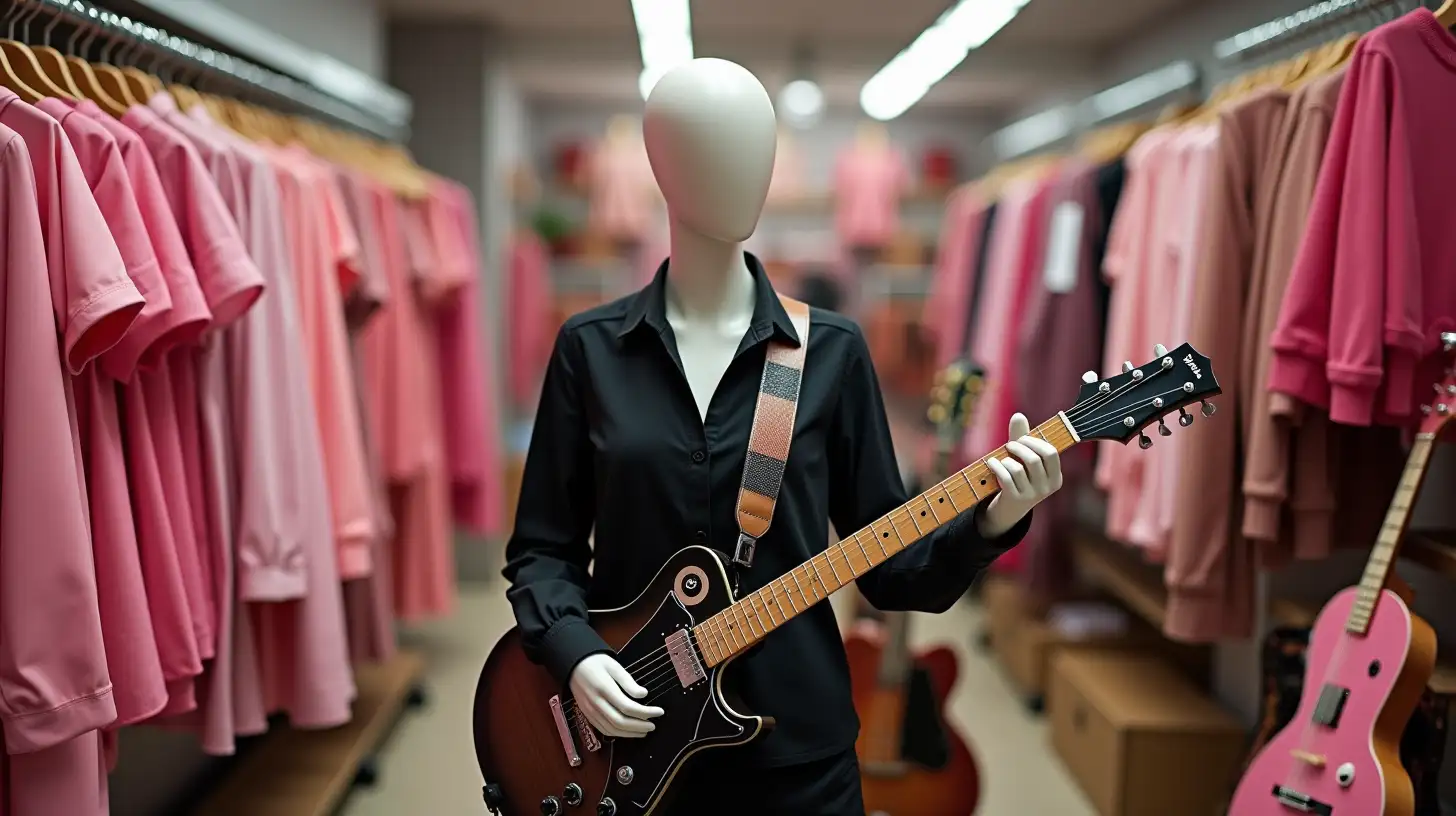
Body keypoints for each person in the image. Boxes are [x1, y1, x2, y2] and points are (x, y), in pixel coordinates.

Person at [502, 59, 1063, 816]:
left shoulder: (831, 352)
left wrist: (992, 518)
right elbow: (542, 548)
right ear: (662, 167)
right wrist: (575, 654)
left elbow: (893, 570)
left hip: (796, 752)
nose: (745, 171)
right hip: (625, 743)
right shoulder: (590, 350)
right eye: (712, 146)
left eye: (755, 147)